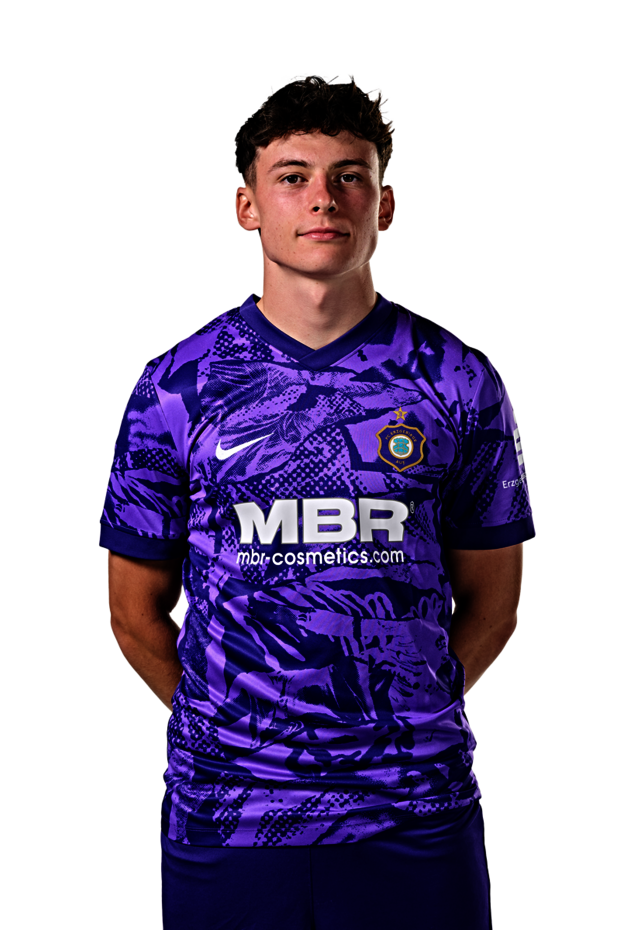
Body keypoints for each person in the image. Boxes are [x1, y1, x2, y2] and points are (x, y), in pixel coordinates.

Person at [100, 73, 536, 929]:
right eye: (293, 177)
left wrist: (404, 714)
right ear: (247, 207)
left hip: (414, 809)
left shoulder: (457, 379)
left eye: (350, 176)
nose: (323, 199)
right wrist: (230, 733)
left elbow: (494, 602)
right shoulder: (176, 387)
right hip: (230, 816)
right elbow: (132, 610)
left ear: (386, 204)